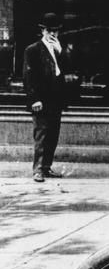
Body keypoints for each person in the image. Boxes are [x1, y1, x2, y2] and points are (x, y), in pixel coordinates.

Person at [23, 13, 67, 182]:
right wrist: (34, 99)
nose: (53, 35)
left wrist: (61, 51)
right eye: (50, 31)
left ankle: (47, 167)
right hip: (41, 100)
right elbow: (28, 76)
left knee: (53, 135)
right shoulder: (33, 49)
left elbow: (69, 68)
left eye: (56, 31)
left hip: (56, 100)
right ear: (43, 30)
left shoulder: (58, 49)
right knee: (41, 135)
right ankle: (38, 170)